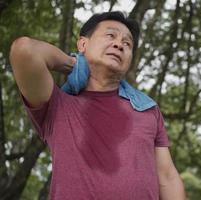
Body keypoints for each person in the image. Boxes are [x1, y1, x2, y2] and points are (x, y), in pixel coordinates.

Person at [9, 11, 186, 200]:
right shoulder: (58, 105)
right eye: (111, 35)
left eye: (127, 44)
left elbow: (167, 177)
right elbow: (24, 50)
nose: (119, 45)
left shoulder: (147, 109)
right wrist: (74, 64)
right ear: (83, 44)